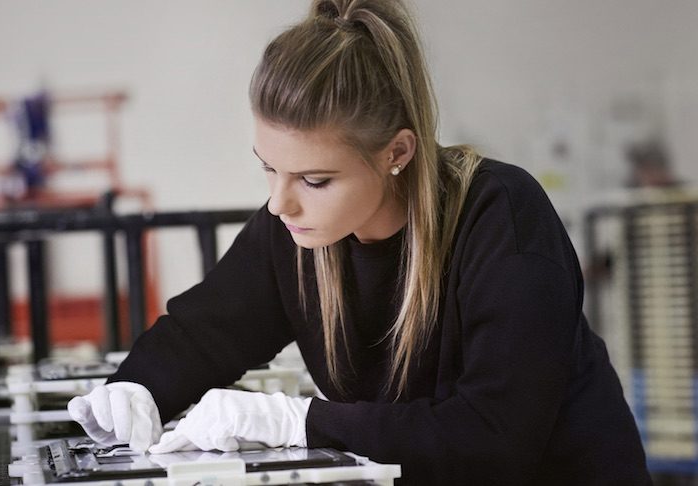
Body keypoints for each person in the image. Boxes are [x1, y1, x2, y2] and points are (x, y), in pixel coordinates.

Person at [68, 1, 652, 484]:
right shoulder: (294, 233)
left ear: (396, 152)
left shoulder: (502, 219)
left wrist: (296, 422)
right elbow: (205, 333)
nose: (280, 202)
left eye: (314, 180)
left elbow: (492, 442)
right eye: (268, 168)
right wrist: (137, 387)